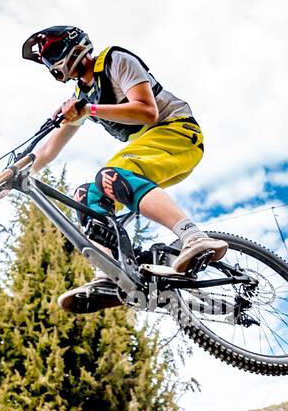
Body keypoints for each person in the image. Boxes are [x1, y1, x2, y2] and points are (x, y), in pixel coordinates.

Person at [17, 25, 227, 314]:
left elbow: (147, 110)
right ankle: (109, 275)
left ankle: (193, 236)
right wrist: (9, 178)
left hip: (177, 131)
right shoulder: (82, 94)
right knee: (87, 196)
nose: (52, 62)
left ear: (75, 44)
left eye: (53, 52)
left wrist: (88, 110)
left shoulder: (114, 60)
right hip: (151, 148)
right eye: (46, 60)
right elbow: (49, 149)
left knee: (109, 176)